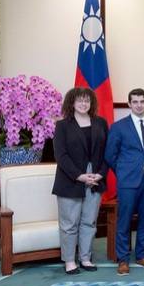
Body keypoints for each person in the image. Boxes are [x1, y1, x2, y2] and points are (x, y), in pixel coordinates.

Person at [105, 88, 144, 276]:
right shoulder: (119, 127)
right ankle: (123, 259)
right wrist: (123, 171)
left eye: (142, 101)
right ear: (129, 104)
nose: (139, 105)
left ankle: (141, 255)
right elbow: (110, 155)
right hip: (128, 181)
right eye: (135, 102)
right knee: (124, 220)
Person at [51, 87, 108, 274]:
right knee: (69, 224)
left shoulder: (101, 123)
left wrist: (100, 174)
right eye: (80, 100)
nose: (84, 104)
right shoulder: (62, 125)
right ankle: (69, 261)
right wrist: (80, 176)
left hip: (95, 178)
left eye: (87, 100)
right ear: (72, 102)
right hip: (71, 179)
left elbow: (107, 152)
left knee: (89, 222)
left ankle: (85, 258)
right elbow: (61, 156)